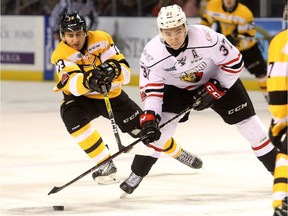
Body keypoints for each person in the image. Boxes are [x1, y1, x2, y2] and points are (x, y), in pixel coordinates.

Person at [119, 4, 278, 196]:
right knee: (158, 132)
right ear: (160, 32)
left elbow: (235, 62)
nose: (174, 38)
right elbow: (152, 89)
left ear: (186, 26)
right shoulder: (152, 54)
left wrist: (218, 87)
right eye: (168, 33)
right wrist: (151, 116)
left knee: (249, 126)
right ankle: (137, 173)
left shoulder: (206, 37)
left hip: (217, 80)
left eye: (178, 31)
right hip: (177, 90)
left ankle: (279, 173)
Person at [50, 12, 203, 184]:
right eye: (70, 35)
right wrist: (89, 80)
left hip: (113, 97)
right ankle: (104, 163)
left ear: (85, 31)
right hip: (82, 100)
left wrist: (112, 71)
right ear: (63, 36)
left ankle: (176, 151)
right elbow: (73, 84)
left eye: (78, 34)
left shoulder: (101, 39)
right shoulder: (60, 54)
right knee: (71, 117)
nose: (75, 39)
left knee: (145, 131)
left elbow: (125, 72)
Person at [201, 0, 269, 102]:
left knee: (262, 74)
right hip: (226, 47)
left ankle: (270, 98)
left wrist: (236, 39)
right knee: (217, 73)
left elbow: (250, 34)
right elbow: (206, 22)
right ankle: (215, 98)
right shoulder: (213, 5)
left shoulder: (245, 13)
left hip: (247, 48)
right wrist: (203, 35)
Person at [268, 4, 288, 216]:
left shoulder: (282, 41)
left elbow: (279, 90)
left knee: (285, 153)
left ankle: (281, 202)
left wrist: (279, 124)